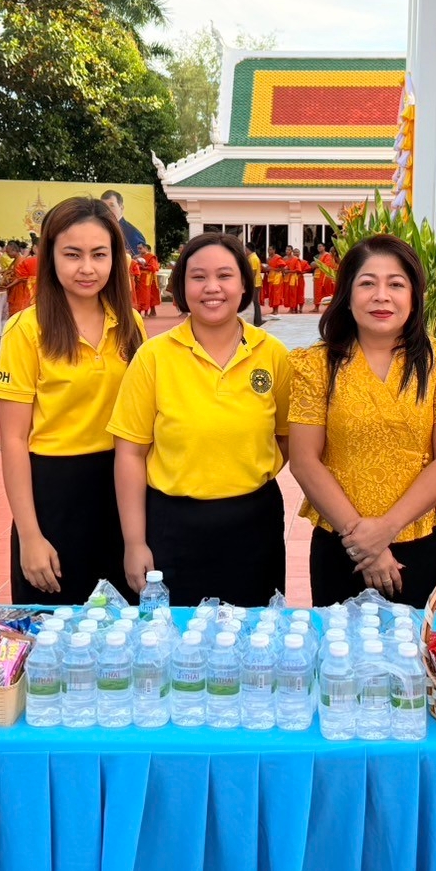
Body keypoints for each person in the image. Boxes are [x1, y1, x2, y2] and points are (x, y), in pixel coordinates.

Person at [109, 232, 291, 607]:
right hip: (173, 527)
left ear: (244, 284)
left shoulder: (272, 354)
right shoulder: (154, 356)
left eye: (225, 275)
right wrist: (134, 542)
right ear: (182, 285)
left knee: (255, 633)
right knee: (176, 635)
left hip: (254, 525)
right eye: (198, 277)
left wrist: (243, 469)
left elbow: (287, 437)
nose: (212, 288)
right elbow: (129, 453)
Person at [289, 236, 436, 605]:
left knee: (416, 639)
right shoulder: (315, 365)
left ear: (414, 296)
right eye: (367, 283)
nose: (381, 296)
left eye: (396, 284)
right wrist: (363, 543)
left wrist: (385, 530)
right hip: (340, 540)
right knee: (338, 640)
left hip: (418, 537)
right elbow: (304, 461)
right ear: (347, 295)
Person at [0, 198, 146, 604]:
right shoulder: (26, 330)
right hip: (54, 494)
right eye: (72, 254)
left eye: (99, 254)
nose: (87, 268)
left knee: (124, 624)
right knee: (55, 624)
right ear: (50, 256)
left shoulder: (131, 324)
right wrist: (30, 535)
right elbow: (13, 439)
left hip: (122, 488)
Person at [101, 189, 146, 254]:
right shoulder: (99, 229)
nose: (107, 210)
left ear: (121, 208)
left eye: (112, 205)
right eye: (104, 206)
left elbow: (140, 258)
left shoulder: (133, 234)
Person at [7, 240, 38, 316]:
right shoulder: (50, 260)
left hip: (22, 289)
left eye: (8, 252)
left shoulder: (26, 260)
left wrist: (8, 286)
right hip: (36, 290)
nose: (7, 254)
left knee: (19, 312)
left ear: (35, 247)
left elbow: (20, 277)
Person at [135, 243, 160, 318]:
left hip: (148, 279)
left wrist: (142, 267)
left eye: (140, 248)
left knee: (147, 295)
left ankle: (147, 312)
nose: (139, 250)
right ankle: (140, 311)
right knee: (139, 295)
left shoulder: (151, 256)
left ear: (145, 248)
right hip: (139, 278)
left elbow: (154, 268)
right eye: (138, 248)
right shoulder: (138, 257)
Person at [313, 244, 338, 310]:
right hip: (317, 276)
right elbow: (312, 265)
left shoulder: (327, 255)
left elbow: (327, 265)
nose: (319, 248)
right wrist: (316, 264)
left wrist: (317, 264)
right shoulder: (317, 256)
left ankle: (329, 307)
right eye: (318, 246)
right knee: (317, 292)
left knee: (327, 291)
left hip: (325, 276)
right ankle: (316, 307)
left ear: (324, 247)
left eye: (320, 246)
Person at [244, 242, 264, 326]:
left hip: (255, 283)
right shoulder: (251, 257)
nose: (245, 251)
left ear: (249, 249)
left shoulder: (253, 258)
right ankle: (257, 320)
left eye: (245, 249)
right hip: (255, 282)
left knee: (255, 302)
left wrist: (249, 283)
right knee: (255, 302)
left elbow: (253, 272)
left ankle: (258, 321)